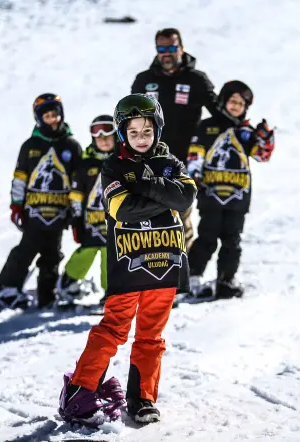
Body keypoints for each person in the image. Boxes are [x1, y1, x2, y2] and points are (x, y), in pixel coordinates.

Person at [58, 94, 197, 425]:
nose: (140, 138)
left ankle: (143, 399)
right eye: (133, 133)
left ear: (157, 131)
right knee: (113, 329)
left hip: (165, 262)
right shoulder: (113, 166)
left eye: (146, 132)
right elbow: (123, 210)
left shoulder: (172, 163)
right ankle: (79, 390)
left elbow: (187, 196)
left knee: (152, 335)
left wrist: (147, 186)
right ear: (123, 134)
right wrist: (163, 194)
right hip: (128, 263)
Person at [186, 81, 275, 298]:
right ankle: (191, 277)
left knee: (232, 240)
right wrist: (193, 176)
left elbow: (262, 155)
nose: (236, 106)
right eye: (232, 101)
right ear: (223, 102)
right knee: (207, 237)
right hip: (211, 193)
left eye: (240, 103)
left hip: (238, 196)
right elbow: (195, 151)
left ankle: (226, 279)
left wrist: (265, 139)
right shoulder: (208, 127)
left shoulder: (246, 133)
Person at [131, 27, 217, 251]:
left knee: (178, 218)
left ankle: (181, 276)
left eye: (171, 47)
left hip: (182, 162)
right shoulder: (144, 80)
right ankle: (149, 275)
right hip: (149, 162)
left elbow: (218, 113)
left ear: (181, 48)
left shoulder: (196, 79)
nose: (166, 53)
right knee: (146, 220)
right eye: (162, 48)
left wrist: (241, 125)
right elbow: (129, 118)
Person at [0, 93, 82, 309]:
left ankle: (47, 295)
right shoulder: (30, 146)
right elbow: (20, 178)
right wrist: (16, 205)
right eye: (47, 116)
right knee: (26, 250)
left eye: (55, 115)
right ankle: (7, 287)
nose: (52, 120)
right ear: (39, 119)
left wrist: (76, 212)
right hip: (33, 211)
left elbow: (78, 182)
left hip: (59, 213)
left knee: (52, 255)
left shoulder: (71, 146)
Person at [56, 115, 117, 304]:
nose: (104, 140)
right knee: (87, 251)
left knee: (111, 255)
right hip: (91, 221)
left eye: (108, 136)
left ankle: (112, 293)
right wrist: (76, 219)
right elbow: (76, 194)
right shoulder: (86, 163)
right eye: (99, 137)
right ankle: (69, 282)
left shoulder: (124, 161)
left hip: (116, 221)